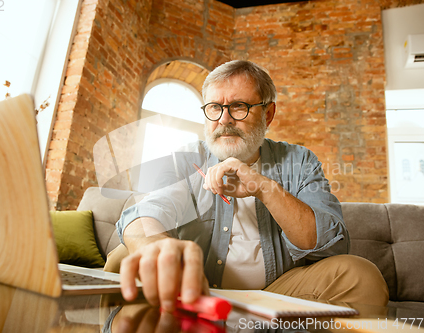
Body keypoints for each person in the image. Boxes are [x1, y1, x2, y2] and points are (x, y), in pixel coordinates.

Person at [106, 60, 389, 312]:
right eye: (214, 108)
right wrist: (154, 244)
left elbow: (331, 244)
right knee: (123, 257)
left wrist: (264, 188)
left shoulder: (299, 160)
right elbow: (148, 211)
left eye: (238, 107)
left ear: (268, 115)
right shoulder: (185, 160)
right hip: (195, 290)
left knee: (361, 277)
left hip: (277, 292)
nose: (224, 120)